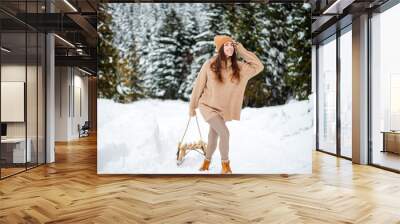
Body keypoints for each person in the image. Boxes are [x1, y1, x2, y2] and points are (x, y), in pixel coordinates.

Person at [188, 35, 264, 174]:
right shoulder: (209, 64)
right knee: (224, 133)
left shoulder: (239, 68)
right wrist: (192, 106)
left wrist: (241, 50)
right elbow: (199, 85)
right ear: (220, 49)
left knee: (213, 135)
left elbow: (258, 66)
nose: (229, 47)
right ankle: (225, 165)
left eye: (231, 45)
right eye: (226, 45)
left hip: (222, 110)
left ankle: (206, 162)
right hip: (207, 106)